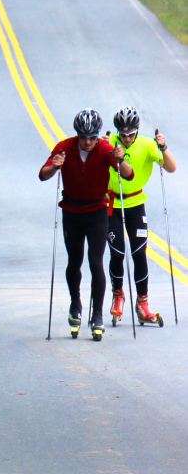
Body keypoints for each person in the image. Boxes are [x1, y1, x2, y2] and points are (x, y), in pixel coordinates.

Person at [39, 109, 132, 341]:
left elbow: (128, 175)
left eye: (92, 137)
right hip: (72, 212)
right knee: (74, 261)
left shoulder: (104, 148)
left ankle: (97, 314)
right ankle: (75, 304)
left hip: (97, 212)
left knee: (95, 262)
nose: (88, 142)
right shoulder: (64, 147)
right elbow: (43, 174)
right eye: (83, 137)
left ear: (97, 135)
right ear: (77, 135)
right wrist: (55, 166)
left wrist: (120, 159)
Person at [106, 107, 177, 326]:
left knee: (139, 252)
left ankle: (142, 304)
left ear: (137, 130)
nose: (126, 138)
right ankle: (118, 296)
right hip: (112, 205)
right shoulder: (108, 142)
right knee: (117, 252)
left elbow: (171, 167)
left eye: (130, 134)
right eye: (123, 134)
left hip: (136, 204)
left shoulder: (147, 144)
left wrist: (163, 147)